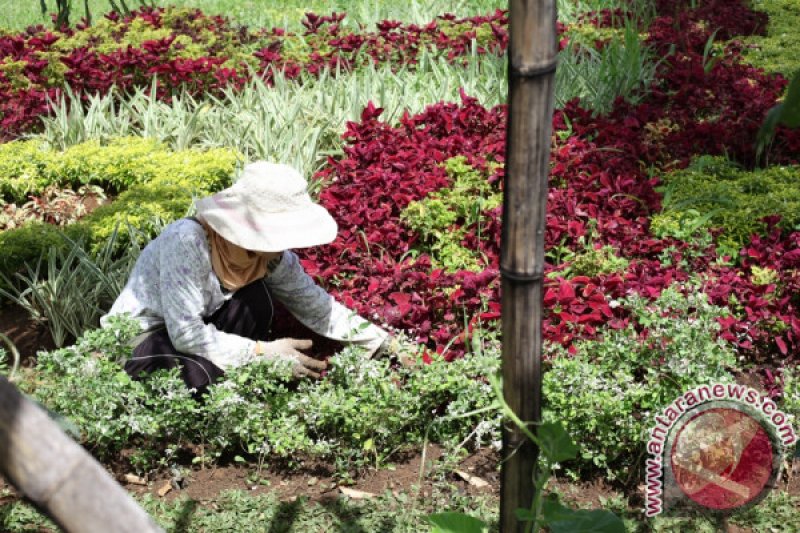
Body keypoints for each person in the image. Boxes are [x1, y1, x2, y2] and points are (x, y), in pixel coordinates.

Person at [100, 161, 393, 394]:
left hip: (196, 337)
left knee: (256, 301)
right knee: (198, 376)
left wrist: (385, 343)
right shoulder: (188, 241)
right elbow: (185, 332)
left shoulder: (274, 257)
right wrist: (262, 352)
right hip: (144, 338)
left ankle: (225, 384)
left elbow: (316, 306)